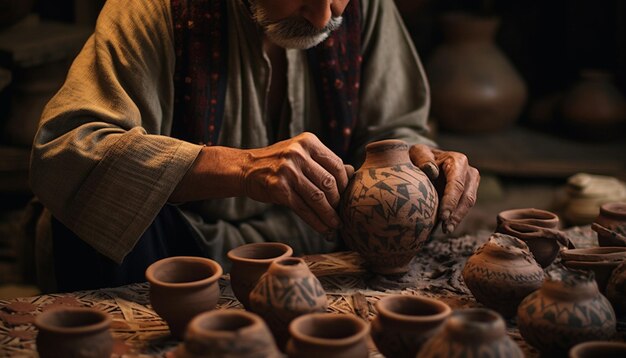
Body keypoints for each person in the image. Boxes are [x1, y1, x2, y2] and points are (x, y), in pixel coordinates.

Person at [30, 0, 480, 292]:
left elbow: (398, 128)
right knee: (86, 219)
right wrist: (240, 167)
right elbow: (67, 150)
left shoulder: (365, 8)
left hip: (320, 241)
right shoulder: (153, 9)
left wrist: (424, 162)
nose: (325, 17)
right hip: (190, 252)